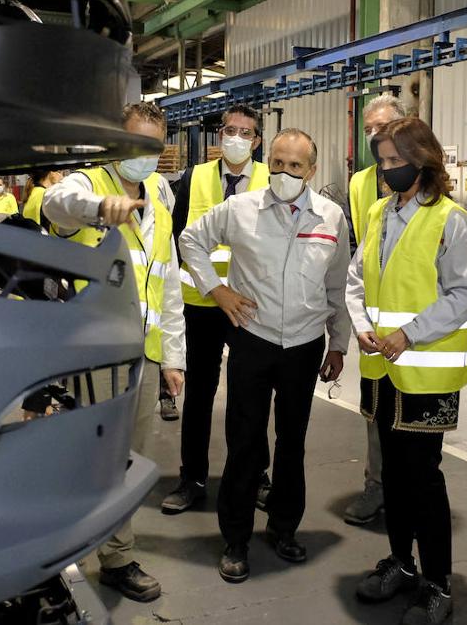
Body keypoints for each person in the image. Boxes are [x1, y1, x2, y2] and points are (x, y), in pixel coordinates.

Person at [179, 128, 350, 584]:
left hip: (304, 343)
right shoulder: (240, 209)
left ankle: (282, 527)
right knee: (245, 443)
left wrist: (338, 342)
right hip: (252, 341)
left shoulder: (331, 217)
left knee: (292, 443)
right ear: (267, 162)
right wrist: (217, 290)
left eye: (295, 166)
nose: (284, 172)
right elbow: (190, 240)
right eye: (277, 162)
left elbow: (338, 285)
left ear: (311, 171)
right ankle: (235, 539)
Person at [42, 101, 187, 603]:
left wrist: (173, 358)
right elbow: (54, 206)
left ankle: (118, 557)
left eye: (149, 147)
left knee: (129, 462)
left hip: (141, 355)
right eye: (130, 144)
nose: (139, 156)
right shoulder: (88, 183)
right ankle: (63, 563)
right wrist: (98, 209)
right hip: (93, 352)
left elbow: (167, 289)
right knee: (86, 460)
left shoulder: (161, 209)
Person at [348, 117, 467, 625]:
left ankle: (439, 584)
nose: (386, 171)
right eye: (381, 161)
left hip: (425, 375)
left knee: (423, 479)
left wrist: (411, 332)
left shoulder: (452, 220)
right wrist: (361, 324)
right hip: (381, 370)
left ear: (422, 161)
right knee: (394, 478)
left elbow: (465, 294)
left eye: (394, 162)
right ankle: (402, 564)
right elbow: (357, 280)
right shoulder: (381, 214)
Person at [162, 105, 271, 515]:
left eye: (246, 132)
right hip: (201, 304)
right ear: (218, 135)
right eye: (230, 130)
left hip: (249, 305)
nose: (237, 138)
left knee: (252, 397)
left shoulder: (269, 180)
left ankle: (256, 475)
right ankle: (192, 478)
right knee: (200, 395)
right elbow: (178, 240)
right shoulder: (194, 178)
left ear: (257, 141)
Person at [343, 93, 406, 527]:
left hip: (417, 320)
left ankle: (408, 489)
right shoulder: (360, 183)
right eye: (368, 129)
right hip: (375, 318)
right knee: (375, 410)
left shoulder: (426, 173)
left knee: (413, 415)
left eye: (382, 127)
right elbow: (361, 257)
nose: (374, 136)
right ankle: (376, 486)